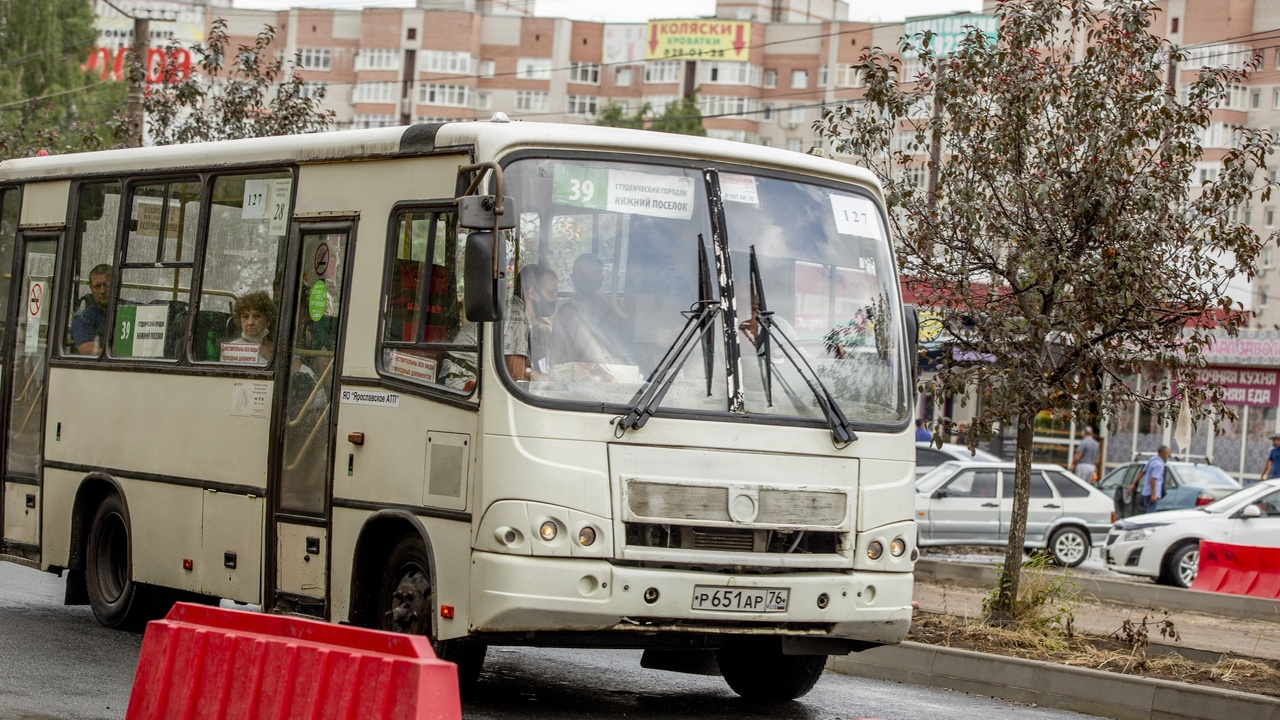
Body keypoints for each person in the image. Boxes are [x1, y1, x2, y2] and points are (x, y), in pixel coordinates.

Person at [550, 253, 630, 368]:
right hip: (574, 379)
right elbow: (556, 356)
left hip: (611, 376)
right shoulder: (564, 313)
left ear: (601, 278)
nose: (588, 280)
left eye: (594, 275)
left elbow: (623, 350)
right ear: (573, 278)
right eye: (583, 275)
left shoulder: (614, 309)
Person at [504, 263, 558, 382]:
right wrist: (548, 382)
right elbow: (516, 371)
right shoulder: (516, 316)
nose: (556, 299)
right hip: (464, 380)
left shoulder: (518, 311)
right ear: (533, 293)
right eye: (552, 293)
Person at [71, 263, 112, 355]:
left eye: (107, 285)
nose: (103, 291)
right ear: (91, 288)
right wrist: (120, 354)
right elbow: (88, 351)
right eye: (97, 287)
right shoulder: (83, 319)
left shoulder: (127, 310)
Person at [228, 291, 276, 364]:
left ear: (268, 320)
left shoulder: (278, 348)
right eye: (245, 317)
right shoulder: (231, 349)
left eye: (256, 316)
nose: (250, 322)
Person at [1130, 445, 1170, 514]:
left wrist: (1133, 484)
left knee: (1147, 513)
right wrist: (1154, 494)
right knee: (1150, 515)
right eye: (1167, 453)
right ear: (1162, 453)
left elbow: (1142, 472)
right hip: (1152, 493)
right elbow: (1153, 479)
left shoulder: (1152, 460)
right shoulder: (1159, 465)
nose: (1168, 455)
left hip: (1146, 492)